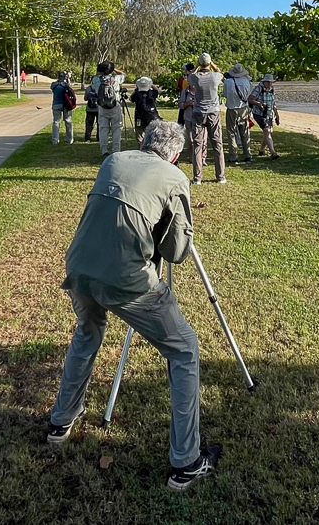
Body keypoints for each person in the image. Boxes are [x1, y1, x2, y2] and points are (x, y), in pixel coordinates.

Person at [47, 120, 222, 491]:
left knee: (88, 332)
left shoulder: (113, 159)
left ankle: (61, 420)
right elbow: (175, 252)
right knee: (184, 349)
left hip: (79, 269)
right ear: (176, 155)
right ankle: (187, 462)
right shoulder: (174, 177)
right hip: (127, 282)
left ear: (142, 142)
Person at [187, 53, 226, 185]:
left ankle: (197, 178)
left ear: (199, 64)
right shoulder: (215, 77)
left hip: (198, 112)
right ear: (209, 64)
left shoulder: (195, 77)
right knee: (217, 144)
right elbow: (219, 72)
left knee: (198, 145)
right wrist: (213, 64)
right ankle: (221, 176)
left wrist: (197, 66)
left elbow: (190, 75)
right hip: (213, 112)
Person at [90, 60, 126, 156]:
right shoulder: (115, 80)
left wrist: (101, 69)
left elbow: (96, 75)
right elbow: (123, 74)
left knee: (103, 129)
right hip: (115, 105)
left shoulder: (96, 80)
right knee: (117, 128)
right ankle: (116, 150)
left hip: (102, 106)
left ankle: (104, 150)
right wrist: (113, 69)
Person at [223, 64, 253, 165]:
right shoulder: (246, 81)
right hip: (243, 108)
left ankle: (233, 156)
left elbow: (225, 95)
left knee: (231, 133)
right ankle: (247, 155)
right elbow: (249, 95)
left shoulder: (228, 82)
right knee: (245, 132)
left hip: (231, 108)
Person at [248, 74, 280, 160]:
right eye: (268, 82)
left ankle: (261, 150)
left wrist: (277, 115)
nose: (270, 83)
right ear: (264, 82)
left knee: (269, 132)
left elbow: (273, 104)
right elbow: (250, 99)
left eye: (271, 82)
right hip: (259, 113)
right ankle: (273, 153)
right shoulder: (258, 89)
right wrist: (258, 104)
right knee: (267, 131)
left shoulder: (272, 90)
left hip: (269, 114)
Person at [130, 76, 162, 143]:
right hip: (152, 115)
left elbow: (131, 99)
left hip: (139, 116)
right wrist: (152, 85)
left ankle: (141, 146)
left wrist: (137, 88)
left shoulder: (137, 94)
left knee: (139, 133)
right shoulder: (152, 93)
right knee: (153, 133)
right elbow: (158, 91)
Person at [50, 71, 77, 145]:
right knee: (68, 121)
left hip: (56, 104)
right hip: (66, 105)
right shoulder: (66, 85)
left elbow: (52, 89)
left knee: (56, 122)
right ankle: (70, 139)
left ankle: (55, 140)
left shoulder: (53, 84)